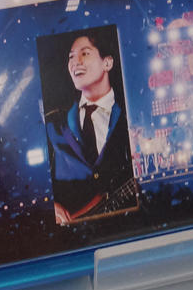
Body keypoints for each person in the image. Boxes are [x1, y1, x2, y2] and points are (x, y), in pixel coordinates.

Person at [45, 31, 136, 224]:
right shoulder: (53, 124)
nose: (75, 62)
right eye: (71, 57)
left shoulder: (132, 114)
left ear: (107, 63)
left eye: (85, 53)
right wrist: (49, 206)